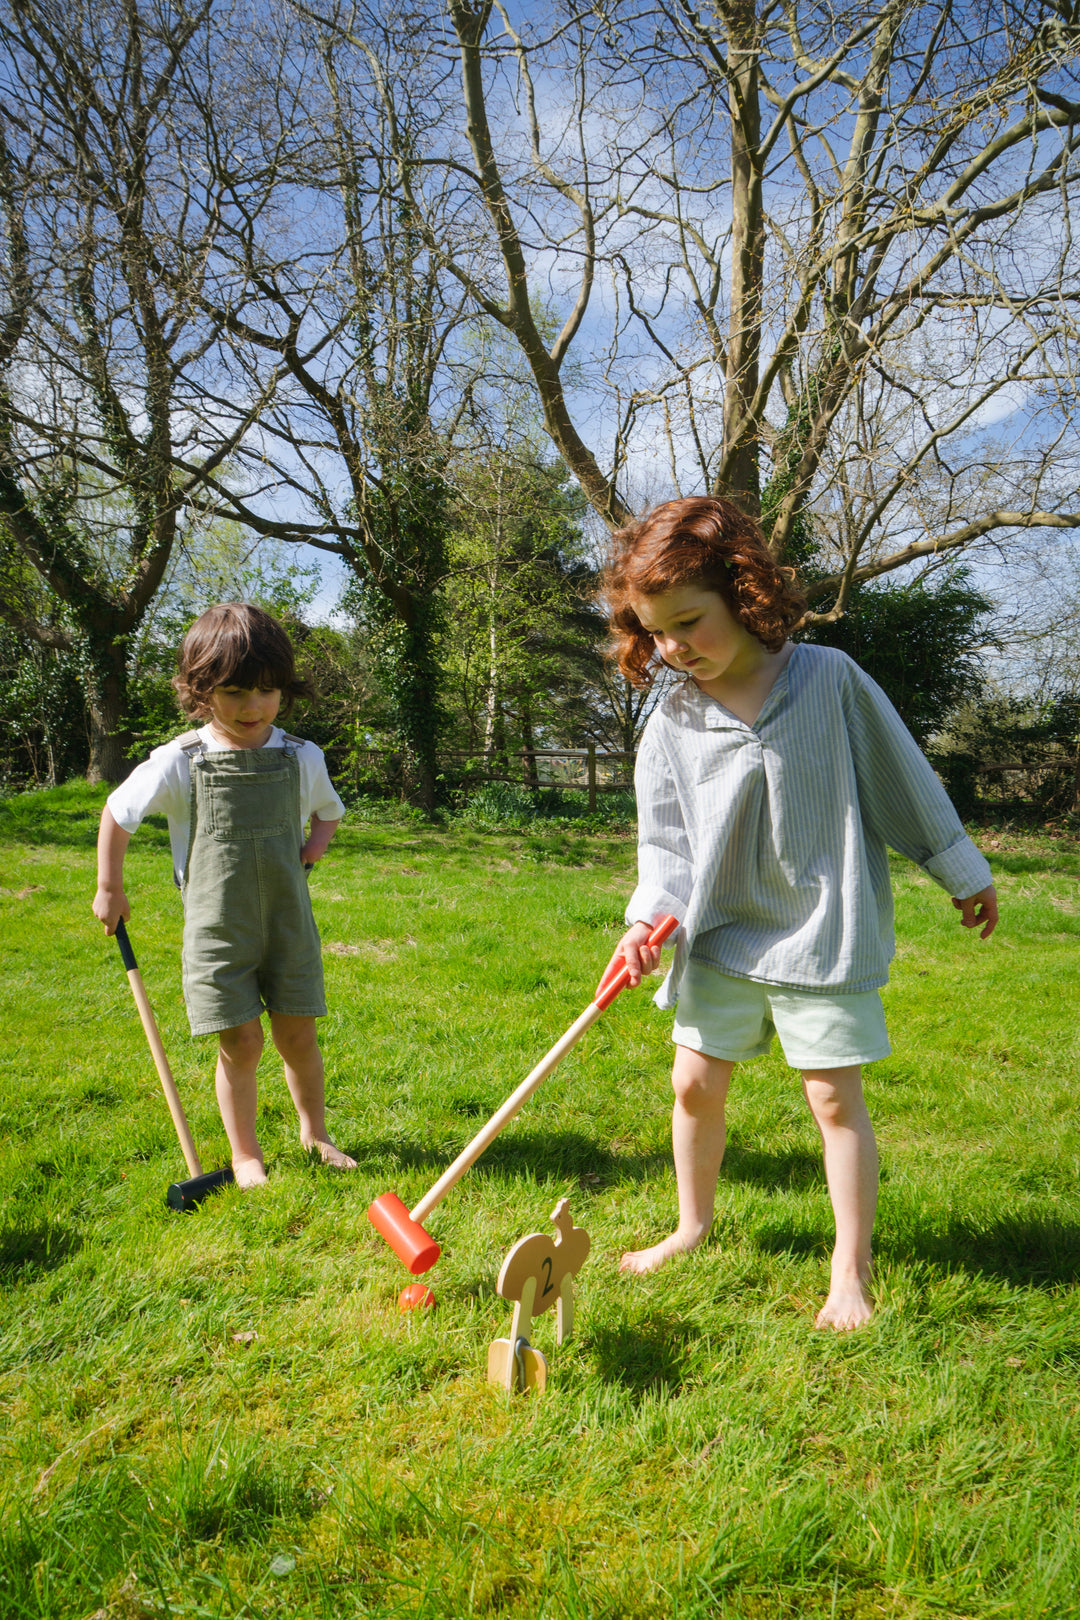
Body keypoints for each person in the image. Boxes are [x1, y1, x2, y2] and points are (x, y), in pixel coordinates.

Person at [600, 497, 998, 1329]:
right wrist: (645, 923)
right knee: (693, 1084)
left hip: (822, 925)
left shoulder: (828, 680)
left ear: (743, 595)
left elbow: (902, 779)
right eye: (657, 633)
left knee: (831, 1099)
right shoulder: (672, 718)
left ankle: (848, 1271)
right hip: (719, 931)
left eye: (690, 623)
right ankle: (691, 1225)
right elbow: (666, 844)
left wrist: (959, 869)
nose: (674, 648)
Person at [92, 602, 356, 1188]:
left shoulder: (300, 756)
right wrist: (110, 886)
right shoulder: (181, 761)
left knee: (297, 1034)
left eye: (267, 691)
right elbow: (118, 812)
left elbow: (329, 812)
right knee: (240, 1040)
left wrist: (313, 849)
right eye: (236, 691)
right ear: (200, 689)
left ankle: (315, 1133)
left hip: (288, 923)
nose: (253, 706)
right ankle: (244, 1155)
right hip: (218, 930)